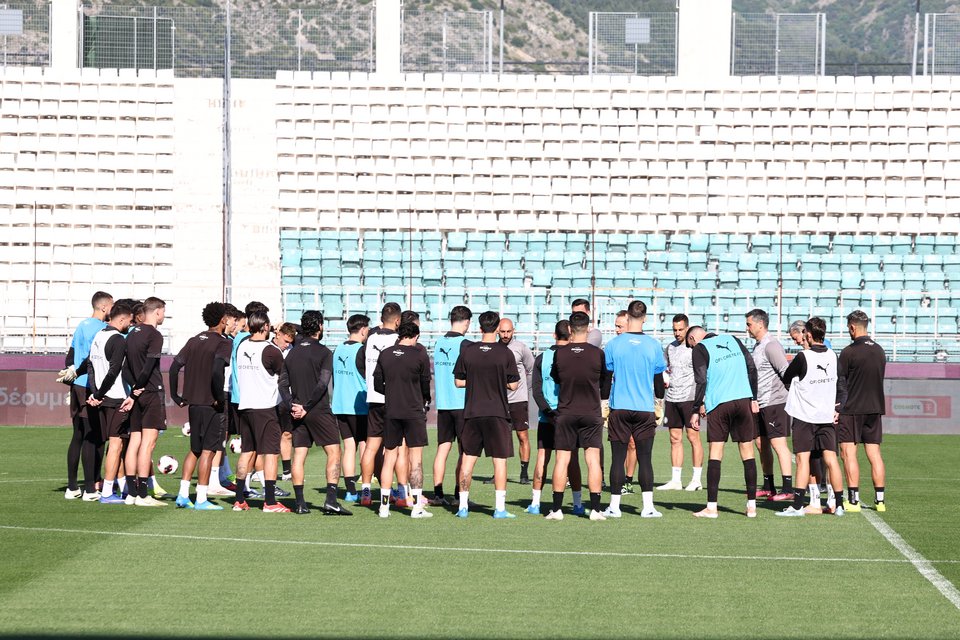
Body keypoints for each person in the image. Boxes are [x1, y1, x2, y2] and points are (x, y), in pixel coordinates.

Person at [687, 326, 760, 519]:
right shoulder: (733, 338)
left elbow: (701, 380)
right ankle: (751, 506)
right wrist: (754, 397)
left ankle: (712, 508)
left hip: (719, 403)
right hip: (743, 399)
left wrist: (695, 409)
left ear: (693, 339)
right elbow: (751, 367)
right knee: (748, 451)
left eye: (690, 345)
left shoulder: (700, 348)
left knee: (716, 452)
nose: (691, 348)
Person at [452, 311, 520, 519]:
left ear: (480, 328)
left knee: (467, 459)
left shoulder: (468, 351)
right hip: (497, 413)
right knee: (499, 461)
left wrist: (478, 380)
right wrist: (496, 381)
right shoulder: (505, 353)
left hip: (473, 412)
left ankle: (463, 506)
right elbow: (514, 385)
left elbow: (458, 381)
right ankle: (499, 508)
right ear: (498, 328)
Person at [281, 310, 350, 515]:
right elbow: (322, 384)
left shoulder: (292, 353)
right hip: (317, 410)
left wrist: (293, 406)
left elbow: (282, 385)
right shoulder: (324, 352)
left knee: (299, 455)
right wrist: (307, 407)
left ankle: (300, 504)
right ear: (320, 326)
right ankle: (331, 500)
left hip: (296, 411)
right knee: (334, 452)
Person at [776, 317, 845, 517]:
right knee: (831, 460)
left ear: (808, 334)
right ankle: (839, 505)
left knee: (802, 459)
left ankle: (798, 506)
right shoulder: (833, 355)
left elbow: (786, 377)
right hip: (826, 416)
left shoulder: (803, 357)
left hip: (805, 415)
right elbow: (841, 383)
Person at [602, 301, 666, 518]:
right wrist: (659, 402)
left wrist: (603, 403)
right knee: (645, 458)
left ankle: (614, 506)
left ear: (628, 317)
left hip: (619, 407)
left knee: (617, 458)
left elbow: (606, 378)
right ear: (645, 318)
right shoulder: (654, 345)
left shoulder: (614, 344)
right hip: (644, 408)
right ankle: (648, 507)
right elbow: (659, 381)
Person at [546, 312, 611, 521]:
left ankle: (557, 510)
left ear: (570, 329)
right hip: (591, 412)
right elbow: (604, 381)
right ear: (588, 328)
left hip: (566, 412)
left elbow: (556, 378)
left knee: (562, 460)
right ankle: (596, 510)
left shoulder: (560, 353)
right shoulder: (597, 353)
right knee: (593, 460)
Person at [169, 302, 232, 510]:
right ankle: (202, 498)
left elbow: (174, 367)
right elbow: (216, 370)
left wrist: (175, 395)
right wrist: (219, 398)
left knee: (194, 450)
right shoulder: (223, 343)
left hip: (194, 404)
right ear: (222, 320)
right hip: (211, 404)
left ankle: (183, 495)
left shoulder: (194, 340)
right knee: (208, 451)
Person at [373, 321, 433, 519]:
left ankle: (383, 508)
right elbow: (425, 385)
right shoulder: (419, 355)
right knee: (415, 459)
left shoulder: (385, 354)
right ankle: (416, 508)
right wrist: (424, 399)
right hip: (413, 411)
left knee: (389, 457)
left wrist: (392, 393)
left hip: (391, 411)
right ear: (416, 336)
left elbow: (377, 384)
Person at [232, 310, 289, 513]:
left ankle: (239, 499)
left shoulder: (242, 345)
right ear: (265, 327)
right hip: (266, 407)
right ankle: (270, 501)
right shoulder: (271, 350)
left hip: (246, 406)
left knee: (247, 452)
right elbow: (285, 376)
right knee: (271, 453)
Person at [59, 291, 113, 501]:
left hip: (77, 385)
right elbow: (93, 358)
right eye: (111, 305)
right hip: (90, 385)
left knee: (78, 435)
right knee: (94, 436)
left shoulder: (82, 325)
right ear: (104, 307)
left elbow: (71, 355)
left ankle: (73, 487)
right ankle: (90, 488)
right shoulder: (102, 329)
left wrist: (71, 376)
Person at [837, 310, 887, 513]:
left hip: (852, 409)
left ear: (852, 327)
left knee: (848, 453)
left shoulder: (849, 352)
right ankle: (880, 501)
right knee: (874, 454)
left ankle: (853, 501)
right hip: (875, 409)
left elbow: (840, 382)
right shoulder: (880, 350)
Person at [85, 301, 135, 505]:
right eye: (129, 321)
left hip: (104, 398)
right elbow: (114, 371)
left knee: (117, 444)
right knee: (116, 445)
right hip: (116, 398)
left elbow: (90, 365)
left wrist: (95, 392)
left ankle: (123, 488)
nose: (130, 325)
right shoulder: (118, 339)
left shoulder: (99, 335)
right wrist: (99, 393)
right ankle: (107, 492)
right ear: (122, 319)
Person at [120, 296, 167, 507]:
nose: (163, 316)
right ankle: (142, 494)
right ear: (157, 312)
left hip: (137, 392)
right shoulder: (154, 335)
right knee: (148, 443)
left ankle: (131, 493)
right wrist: (136, 392)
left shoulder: (132, 333)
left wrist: (133, 390)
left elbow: (125, 369)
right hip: (150, 392)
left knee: (135, 441)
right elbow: (148, 367)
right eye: (163, 312)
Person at [745, 309, 794, 502]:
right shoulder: (758, 346)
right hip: (760, 404)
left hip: (775, 403)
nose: (747, 328)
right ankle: (768, 486)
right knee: (761, 443)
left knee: (778, 444)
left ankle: (788, 488)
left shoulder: (771, 345)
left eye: (749, 324)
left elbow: (786, 372)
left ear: (760, 324)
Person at [359, 302, 405, 506]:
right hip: (393, 400)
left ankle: (366, 491)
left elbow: (360, 363)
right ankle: (401, 493)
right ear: (398, 321)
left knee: (371, 447)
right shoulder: (397, 340)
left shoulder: (370, 338)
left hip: (373, 398)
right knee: (397, 449)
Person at [657, 313, 703, 492]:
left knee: (693, 438)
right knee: (674, 438)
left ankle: (696, 480)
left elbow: (703, 376)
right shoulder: (670, 348)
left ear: (687, 328)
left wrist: (702, 402)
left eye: (680, 329)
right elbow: (664, 369)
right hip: (672, 398)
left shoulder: (695, 348)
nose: (677, 333)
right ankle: (676, 480)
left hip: (690, 398)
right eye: (674, 330)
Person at [431, 305, 472, 506]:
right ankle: (458, 495)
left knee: (442, 448)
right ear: (467, 322)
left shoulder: (438, 342)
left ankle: (438, 494)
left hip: (444, 404)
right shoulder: (466, 344)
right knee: (464, 451)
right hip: (461, 403)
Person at [528, 320, 569, 515]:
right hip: (566, 416)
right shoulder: (573, 356)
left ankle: (535, 503)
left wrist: (547, 411)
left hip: (546, 416)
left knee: (542, 457)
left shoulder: (542, 358)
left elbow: (536, 390)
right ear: (571, 335)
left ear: (554, 335)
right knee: (569, 459)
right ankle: (576, 502)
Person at [332, 314, 370, 503]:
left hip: (340, 404)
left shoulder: (337, 349)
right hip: (359, 405)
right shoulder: (361, 350)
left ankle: (350, 491)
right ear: (362, 329)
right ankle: (365, 489)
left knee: (348, 447)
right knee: (364, 444)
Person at [498, 317, 535, 484]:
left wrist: (524, 389)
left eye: (508, 331)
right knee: (499, 438)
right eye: (503, 331)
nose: (506, 335)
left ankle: (524, 473)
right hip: (499, 400)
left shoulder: (521, 348)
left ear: (513, 331)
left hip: (518, 400)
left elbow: (531, 369)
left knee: (522, 435)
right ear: (498, 331)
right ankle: (499, 473)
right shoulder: (494, 349)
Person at [612, 310, 637, 494]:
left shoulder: (641, 347)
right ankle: (618, 480)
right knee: (619, 443)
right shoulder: (613, 347)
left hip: (638, 403)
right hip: (618, 403)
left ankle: (628, 480)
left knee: (633, 443)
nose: (617, 330)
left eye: (620, 326)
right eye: (616, 326)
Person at [272, 322, 297, 483]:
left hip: (285, 398)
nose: (287, 344)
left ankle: (287, 471)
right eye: (285, 341)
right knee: (271, 437)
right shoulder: (267, 347)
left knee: (287, 434)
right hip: (269, 399)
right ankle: (260, 471)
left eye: (290, 342)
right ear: (278, 334)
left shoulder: (292, 351)